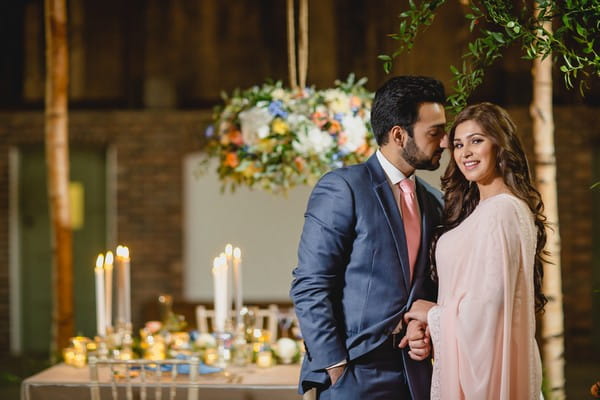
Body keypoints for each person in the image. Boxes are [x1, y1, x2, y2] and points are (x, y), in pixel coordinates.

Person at [290, 75, 448, 400]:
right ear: (399, 135)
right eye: (435, 132)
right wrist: (335, 365)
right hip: (354, 371)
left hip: (416, 373)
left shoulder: (434, 202)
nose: (445, 142)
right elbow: (311, 283)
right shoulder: (344, 188)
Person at [403, 102, 546, 399]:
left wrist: (431, 313)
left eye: (476, 141)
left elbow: (487, 312)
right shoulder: (484, 211)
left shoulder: (502, 212)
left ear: (499, 145)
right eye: (458, 144)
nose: (465, 152)